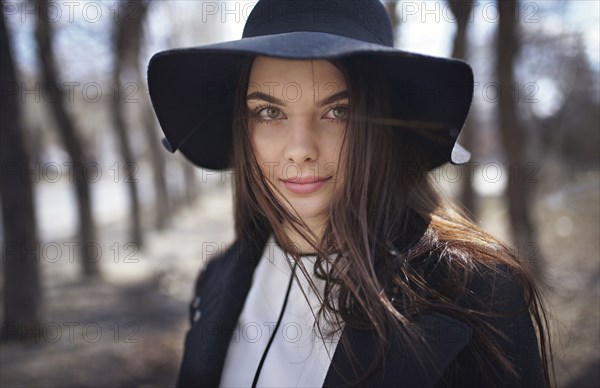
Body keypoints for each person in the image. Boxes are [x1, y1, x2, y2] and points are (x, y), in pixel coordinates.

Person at [147, 1, 553, 387]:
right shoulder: (217, 279)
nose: (300, 148)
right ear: (244, 127)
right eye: (270, 112)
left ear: (379, 126)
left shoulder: (473, 292)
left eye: (337, 111)